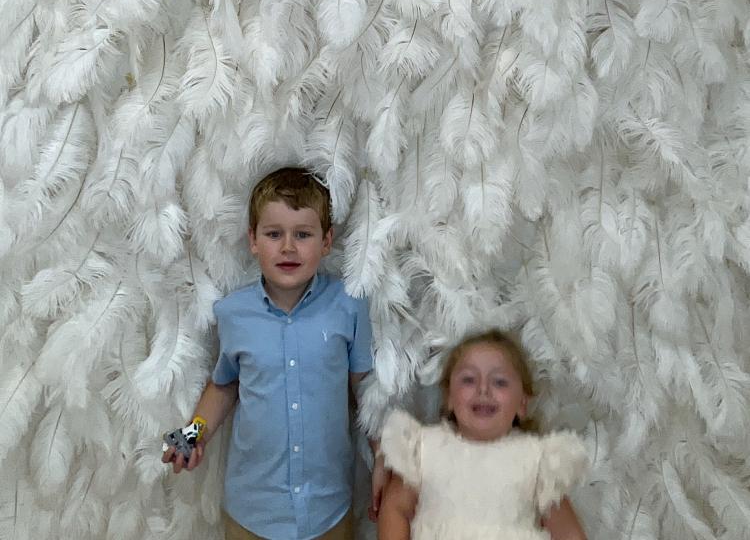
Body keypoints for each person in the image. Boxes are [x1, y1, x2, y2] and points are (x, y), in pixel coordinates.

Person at [162, 166, 386, 540]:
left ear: (326, 241)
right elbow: (224, 386)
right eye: (273, 234)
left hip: (328, 509)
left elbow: (365, 390)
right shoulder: (233, 313)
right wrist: (192, 434)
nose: (288, 247)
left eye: (303, 234)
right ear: (253, 240)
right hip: (252, 512)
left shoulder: (348, 306)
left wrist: (383, 456)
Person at [377, 329, 589, 540]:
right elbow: (395, 508)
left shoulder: (538, 460)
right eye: (469, 380)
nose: (483, 389)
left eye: (500, 382)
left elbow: (568, 533)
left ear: (522, 403)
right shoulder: (423, 448)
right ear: (449, 397)